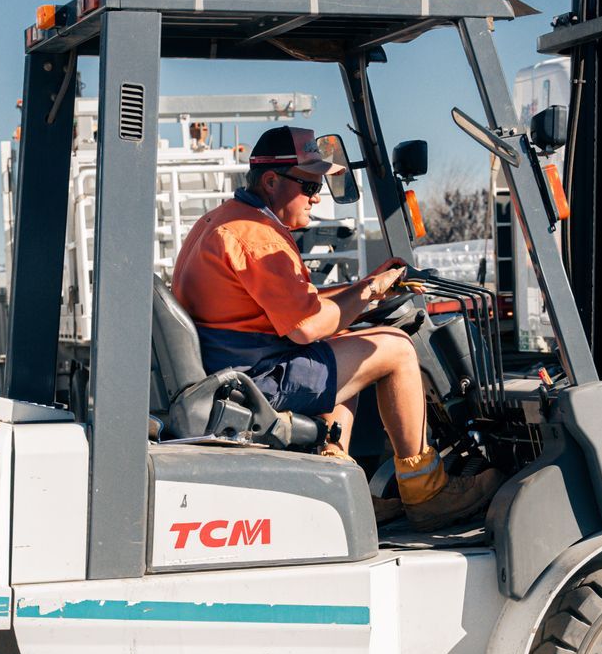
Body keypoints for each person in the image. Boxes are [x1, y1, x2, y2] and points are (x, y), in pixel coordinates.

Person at [171, 125, 500, 531]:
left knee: (346, 347)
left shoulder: (225, 221)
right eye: (308, 185)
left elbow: (300, 303)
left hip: (237, 367)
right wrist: (366, 295)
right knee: (394, 349)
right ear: (271, 181)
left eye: (320, 185)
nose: (317, 196)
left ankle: (334, 482)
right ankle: (426, 491)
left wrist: (367, 288)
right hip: (256, 381)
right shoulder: (259, 238)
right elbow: (308, 326)